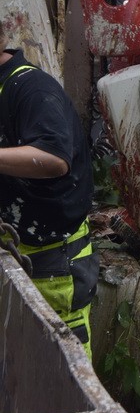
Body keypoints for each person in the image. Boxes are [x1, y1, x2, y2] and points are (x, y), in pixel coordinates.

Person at [0, 29, 98, 358]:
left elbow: (55, 159)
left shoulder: (29, 87)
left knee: (64, 378)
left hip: (54, 264)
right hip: (17, 252)